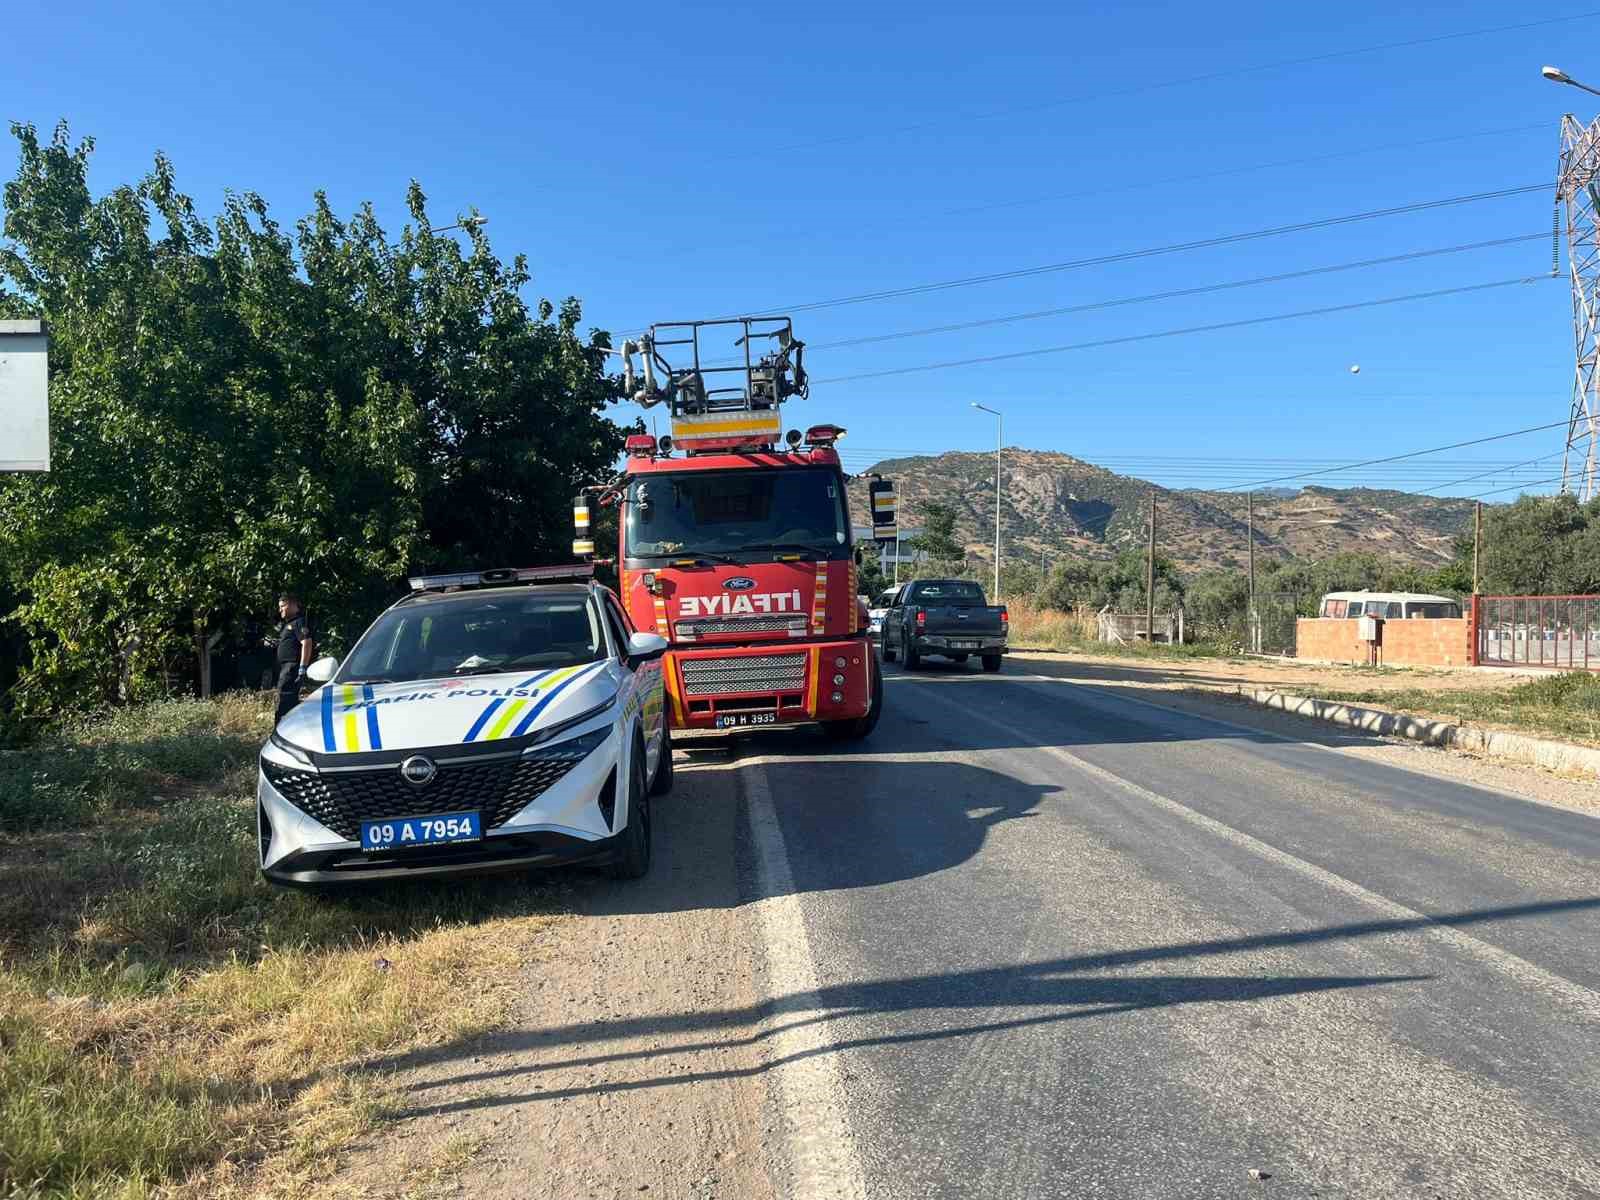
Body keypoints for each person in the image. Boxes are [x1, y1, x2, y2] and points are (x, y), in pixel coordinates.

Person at [273, 592, 315, 723]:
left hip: (291, 667)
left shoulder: (298, 622)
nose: (280, 610)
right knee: (287, 700)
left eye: (282, 606)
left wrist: (302, 667)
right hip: (285, 668)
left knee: (284, 700)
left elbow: (306, 643)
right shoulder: (288, 624)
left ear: (292, 605)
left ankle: (281, 727)